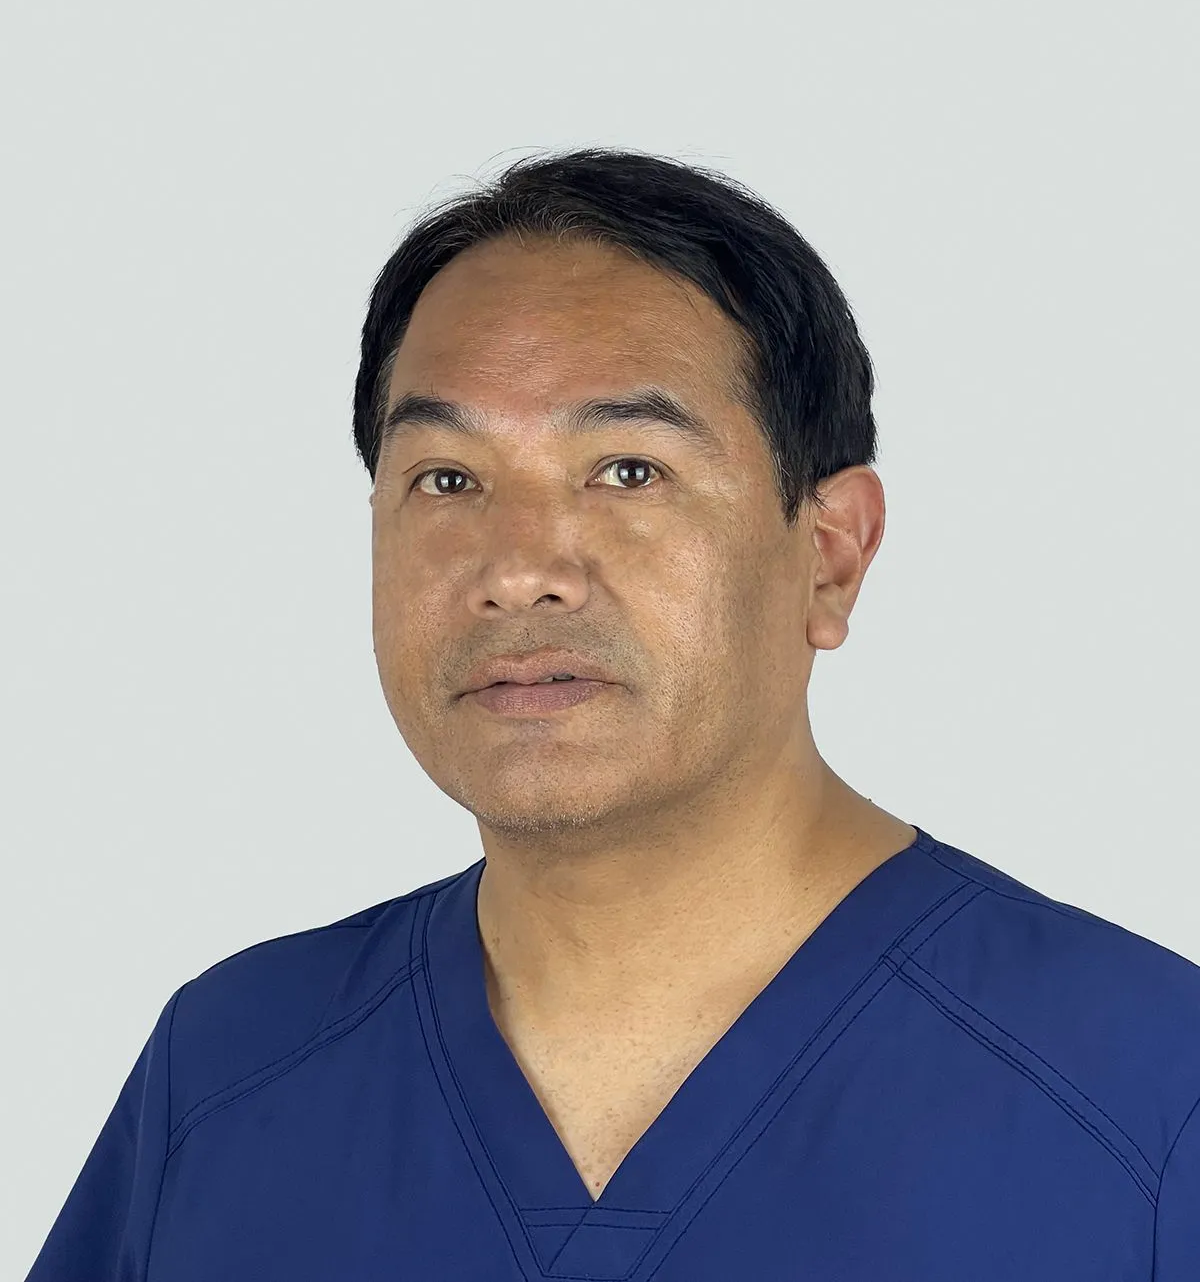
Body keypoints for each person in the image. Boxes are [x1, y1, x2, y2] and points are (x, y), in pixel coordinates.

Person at [26, 148, 1200, 1281]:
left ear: (831, 554)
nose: (517, 571)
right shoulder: (229, 1074)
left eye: (628, 470)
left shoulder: (1144, 1093)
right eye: (447, 479)